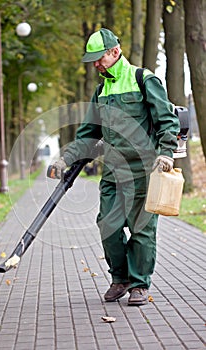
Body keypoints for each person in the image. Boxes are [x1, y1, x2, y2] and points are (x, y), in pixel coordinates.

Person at [50, 28, 180, 306]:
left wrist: (167, 152)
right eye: (93, 59)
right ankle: (119, 279)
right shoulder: (101, 90)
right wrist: (65, 158)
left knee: (142, 228)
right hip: (112, 171)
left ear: (115, 52)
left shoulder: (143, 79)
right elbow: (88, 134)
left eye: (99, 58)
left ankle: (139, 284)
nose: (96, 64)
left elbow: (166, 120)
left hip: (145, 171)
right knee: (107, 226)